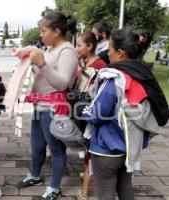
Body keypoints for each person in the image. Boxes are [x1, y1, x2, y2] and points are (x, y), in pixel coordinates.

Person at [82, 27, 169, 200]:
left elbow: (97, 114)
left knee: (106, 194)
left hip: (107, 149)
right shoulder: (142, 76)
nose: (107, 53)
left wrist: (84, 109)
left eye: (110, 50)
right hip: (130, 147)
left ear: (120, 53)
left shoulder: (114, 78)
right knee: (126, 190)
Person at [16, 11, 78, 200]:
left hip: (53, 110)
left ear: (57, 31)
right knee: (36, 146)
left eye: (44, 31)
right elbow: (42, 76)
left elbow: (62, 83)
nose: (41, 34)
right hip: (39, 107)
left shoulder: (67, 51)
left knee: (57, 150)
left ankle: (55, 187)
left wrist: (42, 64)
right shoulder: (50, 50)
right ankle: (35, 175)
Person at [74, 31, 106, 200]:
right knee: (84, 144)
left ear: (90, 46)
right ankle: (87, 171)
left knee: (89, 145)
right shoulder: (85, 61)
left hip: (91, 112)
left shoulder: (100, 65)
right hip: (81, 109)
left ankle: (85, 191)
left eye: (79, 45)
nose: (77, 48)